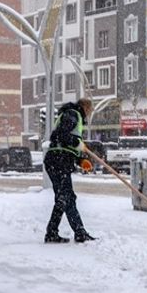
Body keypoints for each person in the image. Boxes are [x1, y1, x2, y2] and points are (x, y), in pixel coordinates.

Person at [43, 98, 97, 244]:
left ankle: (52, 233)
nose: (89, 113)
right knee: (67, 198)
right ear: (85, 107)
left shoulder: (72, 114)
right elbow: (60, 135)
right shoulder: (73, 114)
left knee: (63, 199)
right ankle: (79, 232)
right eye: (90, 110)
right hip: (58, 161)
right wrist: (76, 142)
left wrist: (80, 160)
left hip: (59, 160)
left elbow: (67, 144)